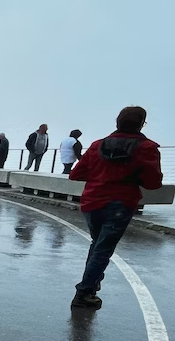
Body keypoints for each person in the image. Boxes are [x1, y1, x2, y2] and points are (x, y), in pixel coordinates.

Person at [68, 106, 162, 310]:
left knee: (98, 243)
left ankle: (91, 282)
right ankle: (84, 292)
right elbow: (153, 182)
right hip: (121, 203)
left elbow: (76, 174)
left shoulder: (97, 145)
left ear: (117, 122)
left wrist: (100, 175)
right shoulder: (146, 148)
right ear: (141, 124)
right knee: (103, 248)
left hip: (92, 202)